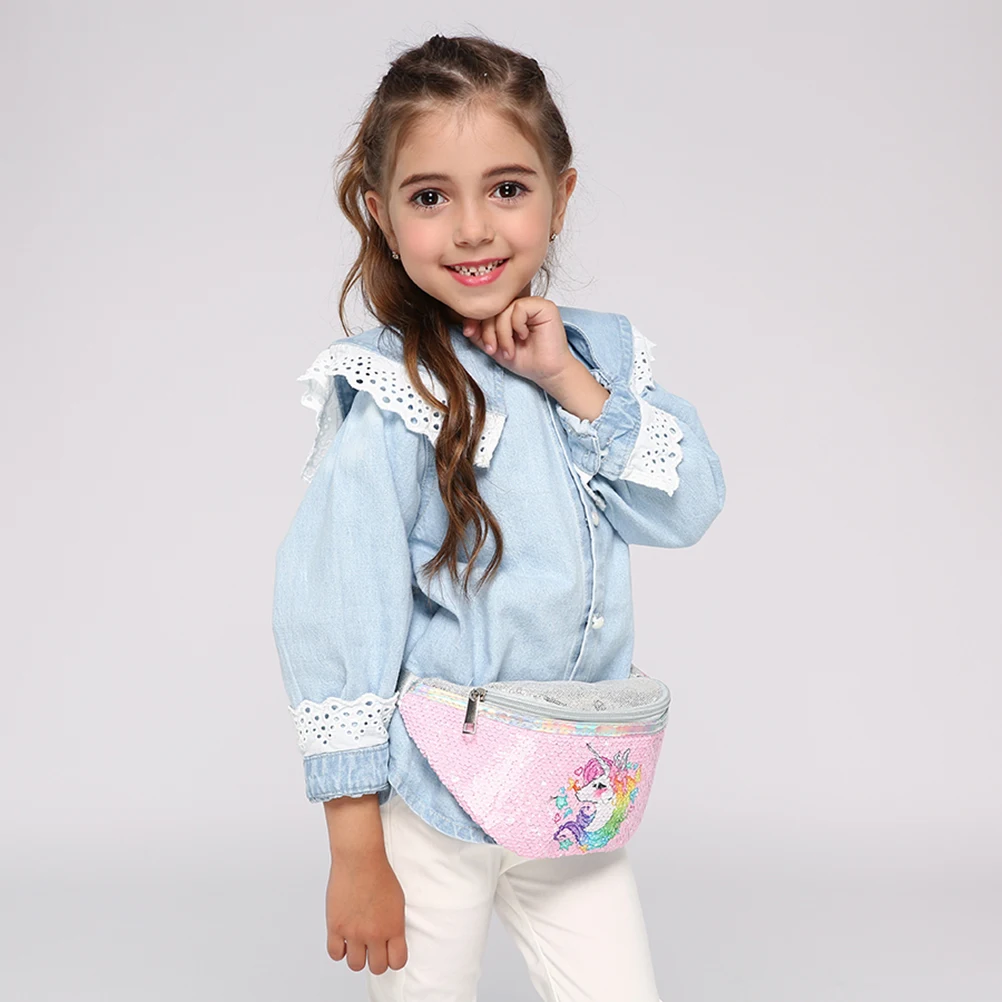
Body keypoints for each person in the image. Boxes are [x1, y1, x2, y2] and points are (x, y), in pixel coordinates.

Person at [272, 32, 726, 1002]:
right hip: (435, 802)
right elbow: (338, 616)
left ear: (561, 197)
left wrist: (568, 383)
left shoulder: (591, 365)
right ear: (382, 214)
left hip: (570, 795)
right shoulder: (393, 397)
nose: (473, 228)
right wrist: (356, 849)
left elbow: (688, 505)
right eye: (431, 197)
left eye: (508, 188)